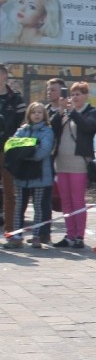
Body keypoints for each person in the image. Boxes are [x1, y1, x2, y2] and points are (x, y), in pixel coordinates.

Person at [50, 81, 96, 249]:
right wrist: (61, 111)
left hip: (78, 162)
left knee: (77, 200)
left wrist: (72, 112)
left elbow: (87, 128)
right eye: (73, 94)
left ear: (86, 96)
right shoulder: (65, 112)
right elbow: (52, 128)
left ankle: (79, 235)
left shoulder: (91, 112)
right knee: (66, 201)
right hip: (61, 162)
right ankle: (69, 234)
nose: (75, 97)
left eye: (79, 94)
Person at [3, 102, 53, 249]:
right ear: (28, 115)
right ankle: (17, 236)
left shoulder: (47, 131)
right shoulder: (22, 130)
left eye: (39, 112)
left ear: (44, 115)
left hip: (40, 176)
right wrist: (29, 149)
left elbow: (44, 151)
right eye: (34, 112)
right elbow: (11, 146)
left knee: (38, 207)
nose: (37, 115)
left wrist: (24, 154)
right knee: (19, 207)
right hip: (22, 175)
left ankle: (36, 236)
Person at [0, 64, 26, 233]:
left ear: (4, 76)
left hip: (8, 150)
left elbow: (20, 126)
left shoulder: (16, 99)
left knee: (10, 193)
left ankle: (10, 232)